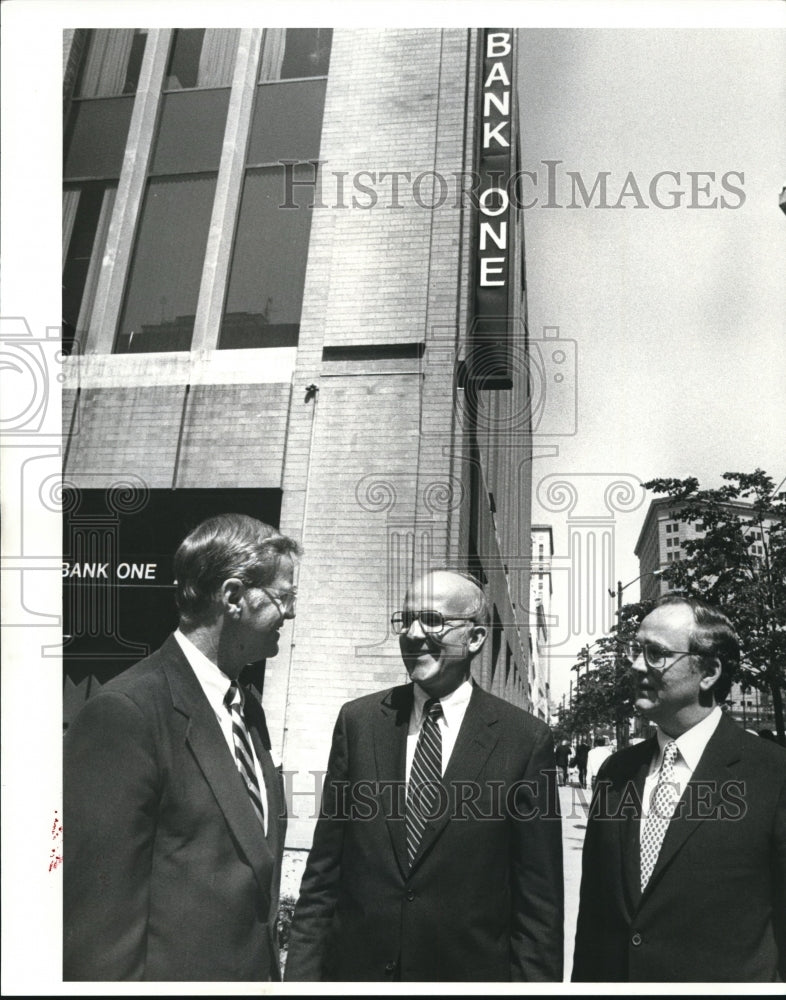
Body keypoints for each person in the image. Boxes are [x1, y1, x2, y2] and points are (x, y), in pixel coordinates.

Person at [285, 569, 564, 982]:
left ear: (475, 639)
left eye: (432, 620)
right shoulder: (359, 723)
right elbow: (324, 873)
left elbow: (538, 906)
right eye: (406, 619)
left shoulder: (524, 742)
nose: (413, 634)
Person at [64, 514, 301, 981]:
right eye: (284, 597)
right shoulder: (126, 712)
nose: (291, 614)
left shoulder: (247, 710)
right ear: (234, 597)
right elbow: (98, 929)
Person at [573, 595, 786, 983]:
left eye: (656, 653)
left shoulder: (773, 775)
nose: (636, 665)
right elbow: (594, 918)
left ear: (708, 672)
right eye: (635, 651)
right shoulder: (615, 774)